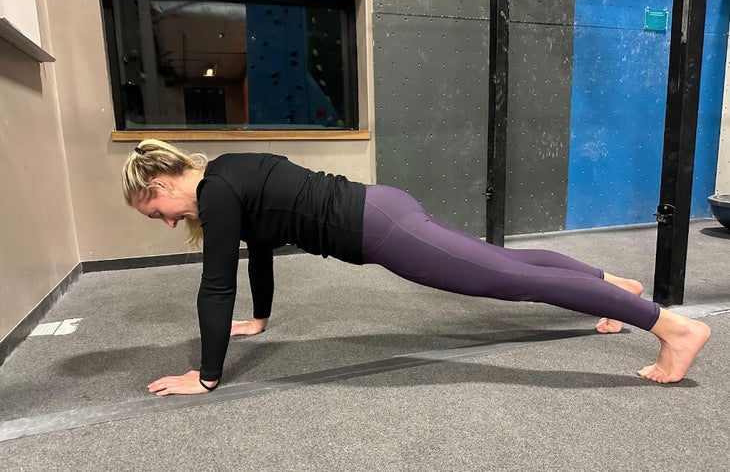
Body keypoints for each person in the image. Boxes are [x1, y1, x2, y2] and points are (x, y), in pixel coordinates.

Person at [122, 139, 711, 396]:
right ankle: (610, 284)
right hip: (384, 207)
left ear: (159, 181)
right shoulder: (226, 172)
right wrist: (263, 318)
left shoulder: (216, 194)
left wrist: (205, 376)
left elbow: (215, 283)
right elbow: (258, 253)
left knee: (507, 279)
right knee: (506, 263)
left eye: (157, 212)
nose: (169, 222)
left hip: (380, 229)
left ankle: (670, 327)